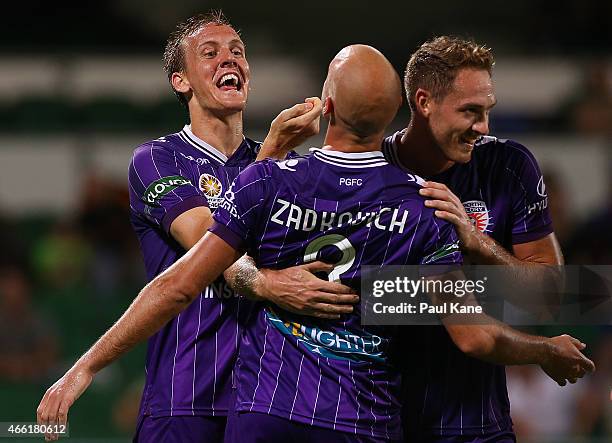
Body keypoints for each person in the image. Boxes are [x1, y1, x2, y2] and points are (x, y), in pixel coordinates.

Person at [37, 44, 594, 443]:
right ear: (413, 106)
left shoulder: (270, 179)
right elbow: (475, 334)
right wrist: (542, 349)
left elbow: (181, 283)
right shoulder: (421, 206)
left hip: (277, 409)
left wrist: (83, 367)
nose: (483, 125)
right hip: (369, 416)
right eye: (470, 111)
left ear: (326, 107)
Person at [37, 11, 357, 443]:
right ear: (181, 81)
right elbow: (212, 243)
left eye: (237, 52)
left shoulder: (288, 169)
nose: (229, 59)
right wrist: (274, 150)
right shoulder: (157, 159)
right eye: (210, 53)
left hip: (266, 401)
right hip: (183, 399)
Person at [380, 35, 580, 442]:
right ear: (423, 102)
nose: (483, 127)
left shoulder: (507, 166)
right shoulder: (372, 170)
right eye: (470, 111)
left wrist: (475, 242)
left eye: (487, 111)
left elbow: (549, 296)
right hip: (377, 420)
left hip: (476, 424)